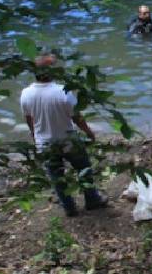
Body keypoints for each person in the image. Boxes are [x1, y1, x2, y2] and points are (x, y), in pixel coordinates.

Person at [20, 54, 107, 217]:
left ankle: (69, 208)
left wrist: (34, 136)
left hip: (45, 143)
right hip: (68, 141)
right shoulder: (62, 92)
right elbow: (77, 117)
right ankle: (92, 200)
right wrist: (89, 133)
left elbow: (29, 119)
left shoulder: (26, 94)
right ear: (54, 72)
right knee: (84, 168)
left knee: (57, 177)